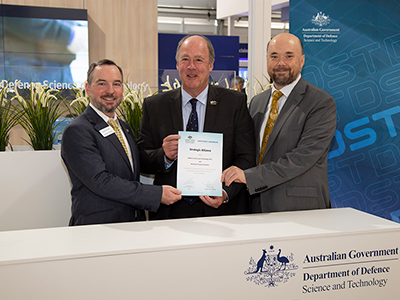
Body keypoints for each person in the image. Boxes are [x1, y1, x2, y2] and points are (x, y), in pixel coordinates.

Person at [137, 35, 255, 220]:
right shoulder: (155, 106)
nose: (191, 66)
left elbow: (247, 157)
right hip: (170, 213)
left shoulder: (234, 103)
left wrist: (225, 193)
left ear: (211, 65)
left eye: (199, 60)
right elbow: (141, 158)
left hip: (222, 212)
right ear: (177, 64)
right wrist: (164, 156)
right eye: (185, 59)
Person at [222, 33, 337, 213]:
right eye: (274, 56)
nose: (280, 63)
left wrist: (249, 176)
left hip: (299, 209)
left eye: (289, 56)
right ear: (267, 60)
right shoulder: (257, 102)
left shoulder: (321, 103)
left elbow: (302, 158)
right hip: (256, 205)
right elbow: (249, 151)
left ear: (302, 61)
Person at [61, 59, 182, 226]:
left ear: (123, 89)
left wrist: (165, 156)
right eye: (102, 84)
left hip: (131, 225)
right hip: (97, 229)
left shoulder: (124, 128)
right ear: (88, 88)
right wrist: (155, 194)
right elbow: (101, 181)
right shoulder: (78, 130)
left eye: (116, 84)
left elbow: (131, 170)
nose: (110, 91)